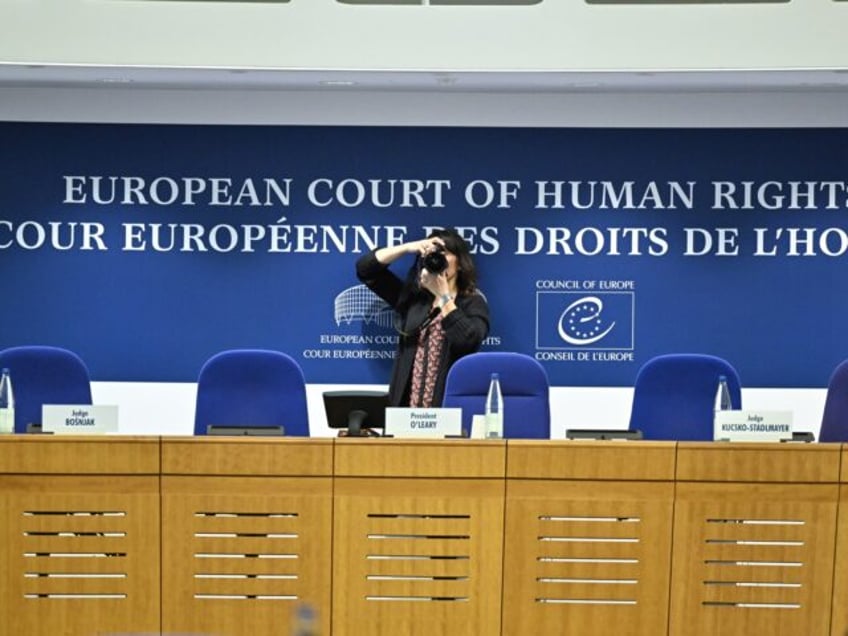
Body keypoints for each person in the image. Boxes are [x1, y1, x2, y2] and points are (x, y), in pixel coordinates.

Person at [356, 228, 490, 408]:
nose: (438, 258)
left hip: (449, 409)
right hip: (405, 409)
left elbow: (468, 341)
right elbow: (366, 270)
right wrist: (409, 247)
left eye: (445, 253)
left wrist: (443, 297)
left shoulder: (472, 301)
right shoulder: (413, 299)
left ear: (459, 263)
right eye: (433, 254)